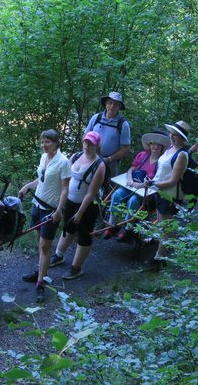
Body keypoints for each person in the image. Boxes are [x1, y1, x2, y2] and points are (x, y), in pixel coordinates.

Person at [18, 130, 71, 303]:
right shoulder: (44, 157)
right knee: (40, 243)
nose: (44, 145)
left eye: (47, 141)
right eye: (42, 141)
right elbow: (41, 179)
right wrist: (28, 186)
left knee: (45, 245)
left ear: (56, 142)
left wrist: (59, 211)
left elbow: (65, 189)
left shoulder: (63, 162)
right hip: (37, 205)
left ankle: (41, 282)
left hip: (50, 209)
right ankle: (41, 270)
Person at [51, 131, 106, 280]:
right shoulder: (75, 156)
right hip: (70, 200)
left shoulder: (99, 166)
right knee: (68, 228)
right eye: (85, 142)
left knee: (83, 234)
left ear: (97, 145)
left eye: (91, 143)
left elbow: (91, 193)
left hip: (87, 206)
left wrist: (80, 212)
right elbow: (65, 179)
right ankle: (59, 255)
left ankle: (76, 268)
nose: (87, 146)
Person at [104, 130, 170, 242]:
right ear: (149, 145)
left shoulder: (162, 162)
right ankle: (112, 225)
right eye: (153, 143)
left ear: (162, 146)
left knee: (133, 201)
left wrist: (140, 185)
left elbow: (156, 181)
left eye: (158, 144)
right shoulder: (142, 155)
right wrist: (130, 179)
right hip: (131, 185)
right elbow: (131, 169)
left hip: (147, 192)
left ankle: (128, 229)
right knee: (116, 195)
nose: (155, 146)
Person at [143, 121, 191, 266]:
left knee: (166, 229)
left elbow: (173, 181)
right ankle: (159, 252)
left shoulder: (182, 154)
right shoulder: (169, 149)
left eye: (177, 135)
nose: (172, 136)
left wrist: (153, 184)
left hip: (170, 196)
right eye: (172, 133)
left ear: (183, 138)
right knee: (161, 223)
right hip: (159, 192)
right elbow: (161, 172)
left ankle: (159, 260)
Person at [84, 91, 131, 178]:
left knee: (106, 189)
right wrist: (86, 152)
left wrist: (109, 159)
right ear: (106, 103)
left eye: (116, 104)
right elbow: (85, 136)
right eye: (110, 103)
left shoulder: (123, 124)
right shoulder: (96, 118)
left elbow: (126, 148)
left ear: (119, 107)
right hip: (90, 159)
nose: (112, 106)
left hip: (109, 164)